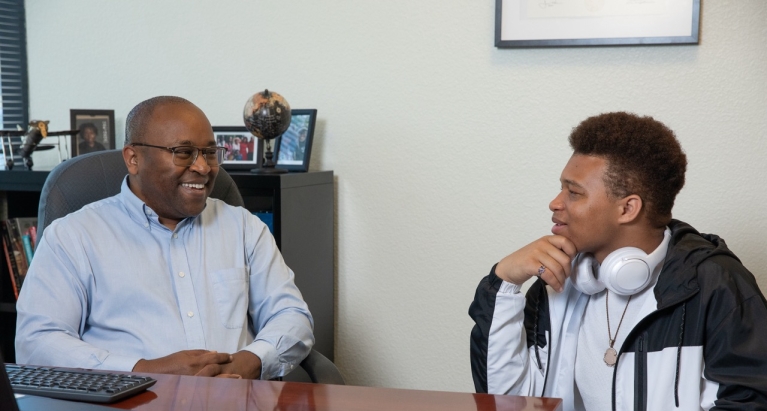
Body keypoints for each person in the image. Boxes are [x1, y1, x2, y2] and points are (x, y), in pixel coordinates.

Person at [469, 112, 767, 410]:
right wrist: (505, 280)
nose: (555, 203)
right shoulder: (557, 281)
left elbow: (748, 402)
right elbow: (510, 402)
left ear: (627, 209)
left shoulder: (716, 284)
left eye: (573, 192)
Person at [16, 96, 314, 380]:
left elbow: (292, 315)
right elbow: (37, 342)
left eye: (210, 153)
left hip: (236, 398)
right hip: (129, 403)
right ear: (133, 159)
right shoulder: (73, 237)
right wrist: (142, 370)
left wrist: (251, 362)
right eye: (183, 153)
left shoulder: (244, 227)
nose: (202, 167)